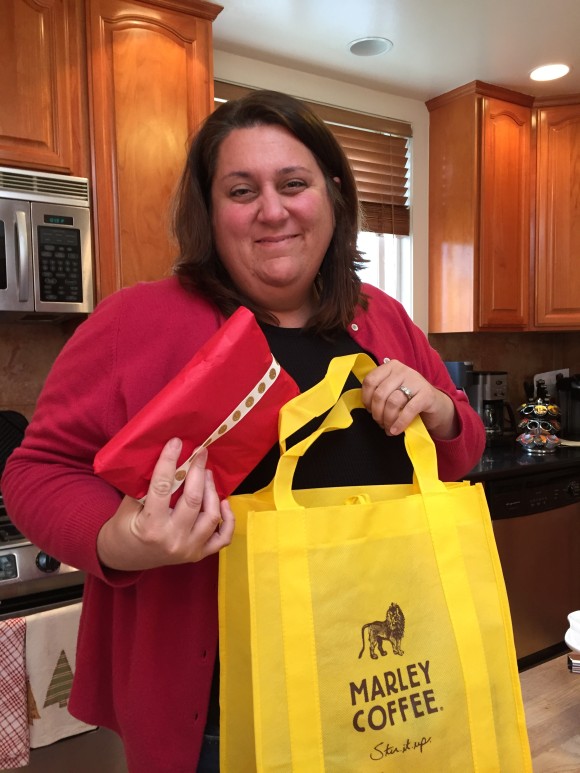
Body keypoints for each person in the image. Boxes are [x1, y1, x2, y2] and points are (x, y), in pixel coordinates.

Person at [1, 90, 486, 772]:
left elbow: (465, 449)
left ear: (334, 194)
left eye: (294, 183)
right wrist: (121, 539)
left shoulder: (387, 320)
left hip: (381, 693)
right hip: (220, 726)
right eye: (241, 189)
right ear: (210, 209)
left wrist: (441, 408)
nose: (272, 210)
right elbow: (34, 471)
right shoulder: (133, 324)